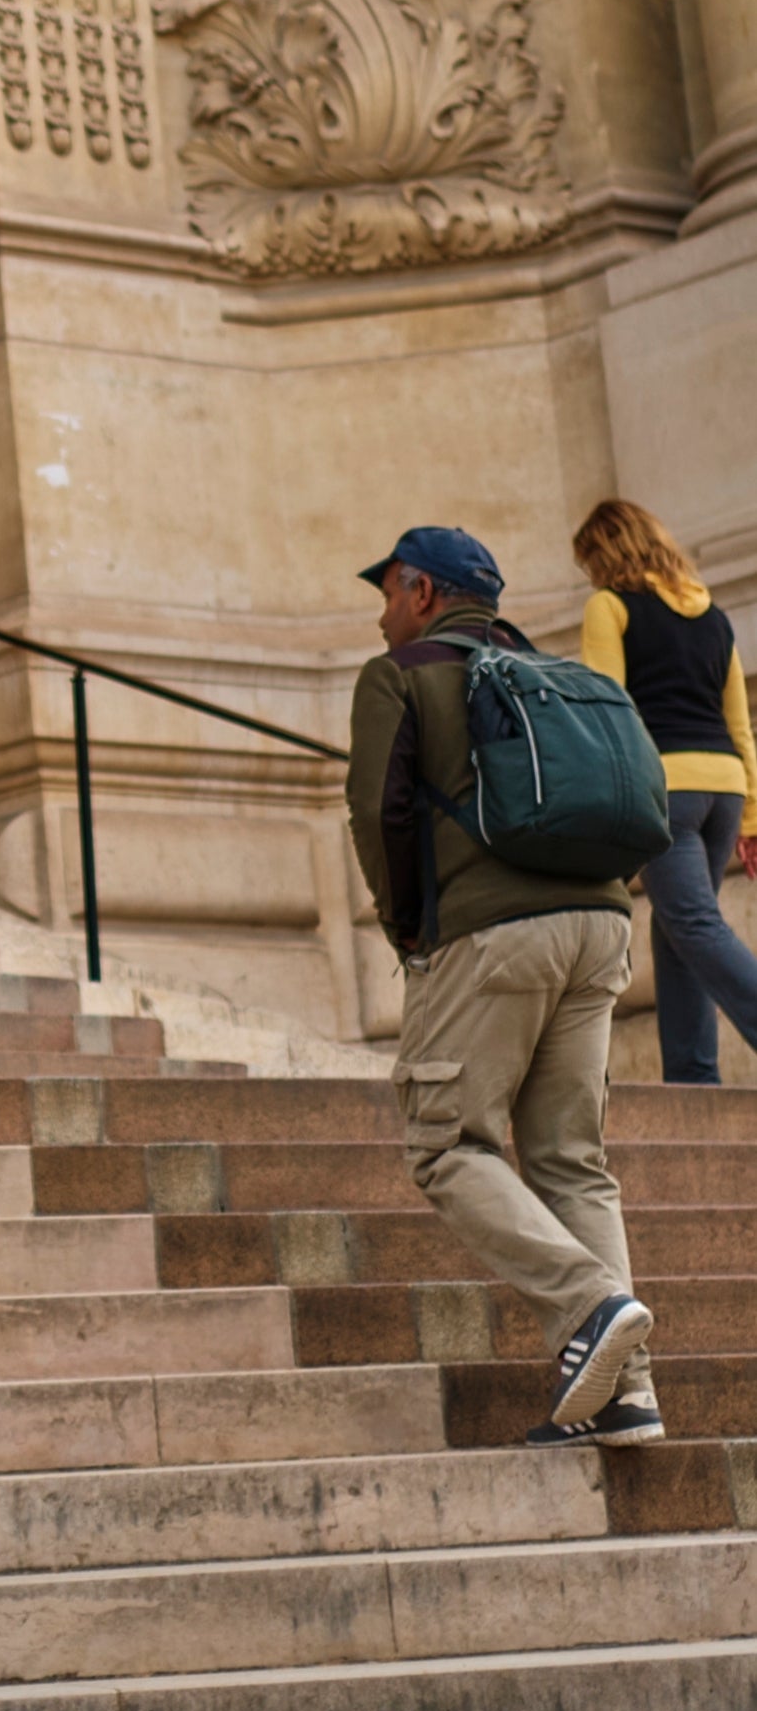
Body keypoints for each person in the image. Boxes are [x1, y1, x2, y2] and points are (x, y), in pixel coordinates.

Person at [346, 524, 660, 1443]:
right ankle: (626, 1395)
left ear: (420, 591)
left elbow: (379, 811)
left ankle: (591, 1308)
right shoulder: (556, 676)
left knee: (446, 1146)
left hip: (490, 937)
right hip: (602, 928)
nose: (379, 615)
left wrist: (411, 933)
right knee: (571, 1162)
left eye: (387, 594)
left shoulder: (399, 675)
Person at [574, 497, 757, 1087]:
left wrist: (607, 806)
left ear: (604, 554)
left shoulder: (609, 607)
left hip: (665, 789)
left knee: (695, 923)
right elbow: (740, 728)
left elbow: (609, 713)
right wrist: (752, 817)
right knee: (677, 931)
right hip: (723, 791)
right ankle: (693, 1079)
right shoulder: (715, 620)